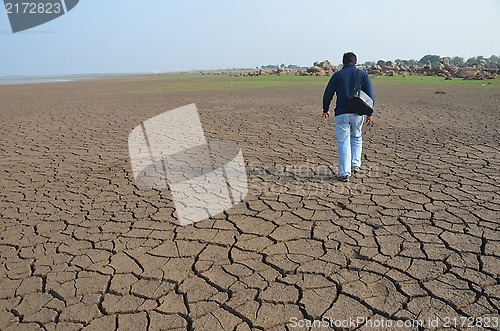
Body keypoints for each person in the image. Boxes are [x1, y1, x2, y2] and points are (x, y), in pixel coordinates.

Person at [322, 52, 374, 182]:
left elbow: (328, 94)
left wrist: (326, 109)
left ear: (343, 61)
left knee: (343, 143)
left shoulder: (337, 75)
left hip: (341, 113)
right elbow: (370, 95)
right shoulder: (363, 74)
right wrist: (370, 113)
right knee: (356, 137)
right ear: (355, 61)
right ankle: (355, 164)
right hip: (358, 113)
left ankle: (345, 173)